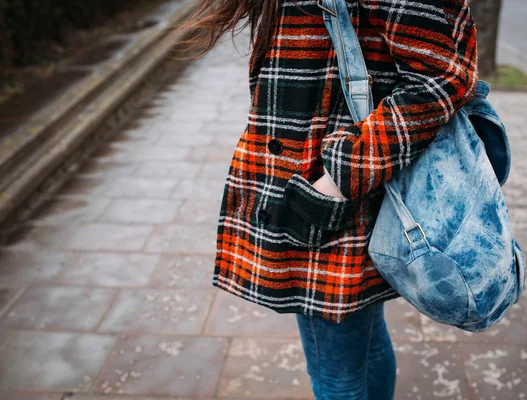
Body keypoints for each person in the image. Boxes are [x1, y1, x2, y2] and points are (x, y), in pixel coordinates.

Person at [180, 0, 478, 398]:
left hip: (331, 202)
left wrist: (339, 179)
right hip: (327, 190)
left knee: (335, 372)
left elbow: (443, 78)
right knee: (363, 344)